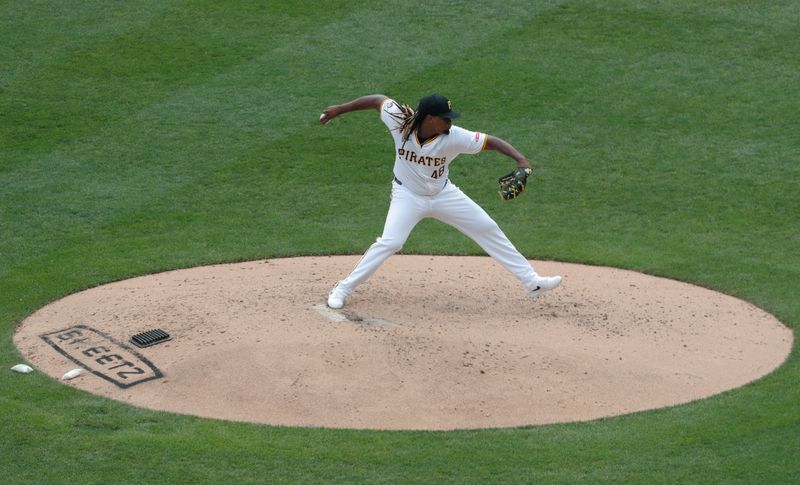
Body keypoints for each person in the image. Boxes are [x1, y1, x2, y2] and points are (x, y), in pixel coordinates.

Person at [319, 93, 561, 309]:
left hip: (444, 195)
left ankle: (531, 282)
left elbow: (491, 142)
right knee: (391, 242)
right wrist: (340, 109)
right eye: (445, 118)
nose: (450, 122)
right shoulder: (399, 120)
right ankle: (342, 288)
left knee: (486, 227)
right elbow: (376, 100)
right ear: (430, 118)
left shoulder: (454, 136)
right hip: (407, 196)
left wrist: (522, 161)